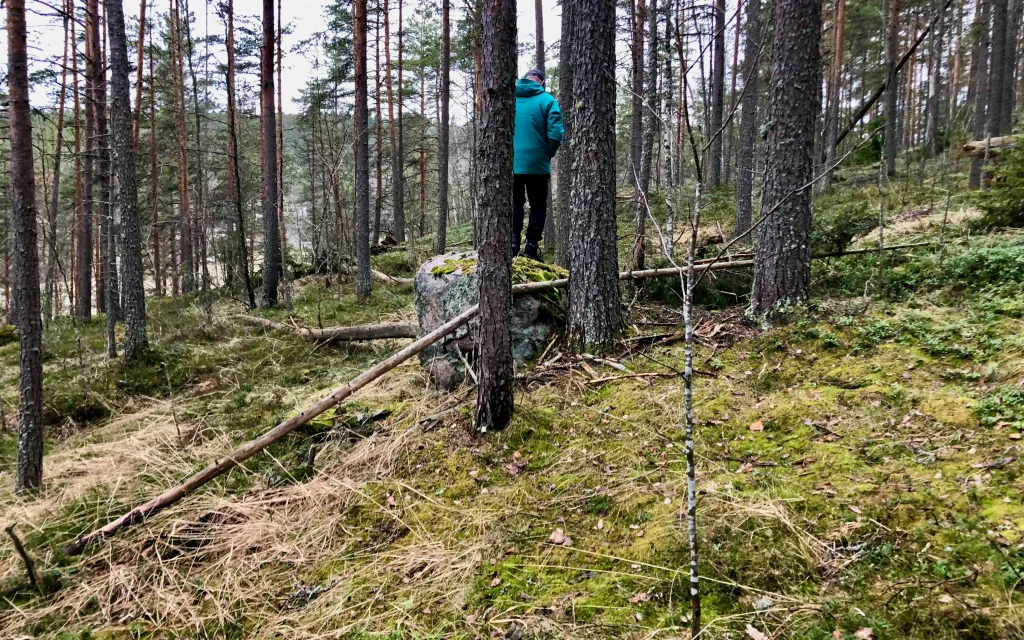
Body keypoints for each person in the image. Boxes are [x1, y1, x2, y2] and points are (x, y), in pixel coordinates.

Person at [512, 69, 563, 260]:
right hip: (537, 164)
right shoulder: (548, 101)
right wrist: (546, 153)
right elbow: (556, 134)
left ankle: (513, 242)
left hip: (512, 163)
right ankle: (531, 248)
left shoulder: (510, 99)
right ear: (542, 82)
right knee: (538, 206)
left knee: (515, 204)